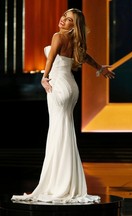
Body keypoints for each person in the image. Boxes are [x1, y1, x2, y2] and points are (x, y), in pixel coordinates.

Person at [12, 8, 115, 203]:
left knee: (58, 133)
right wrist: (100, 68)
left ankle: (58, 183)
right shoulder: (76, 42)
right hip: (71, 88)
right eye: (63, 17)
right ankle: (66, 182)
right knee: (64, 132)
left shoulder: (58, 37)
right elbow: (86, 58)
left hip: (58, 86)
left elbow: (50, 59)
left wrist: (44, 78)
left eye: (68, 20)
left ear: (73, 26)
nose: (62, 20)